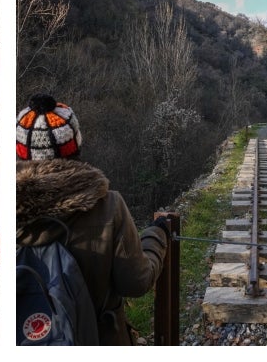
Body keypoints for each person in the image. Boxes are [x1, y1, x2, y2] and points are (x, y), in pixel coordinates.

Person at [16, 93, 171, 345]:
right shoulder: (108, 206)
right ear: (75, 145)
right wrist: (157, 236)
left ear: (20, 150)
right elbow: (137, 282)